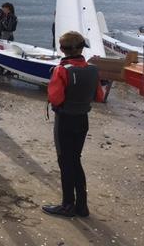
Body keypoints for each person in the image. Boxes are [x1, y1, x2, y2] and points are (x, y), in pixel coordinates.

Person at [42, 31, 105, 218]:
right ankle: (82, 206)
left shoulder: (62, 70)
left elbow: (55, 98)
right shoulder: (93, 70)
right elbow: (99, 96)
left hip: (65, 121)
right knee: (75, 160)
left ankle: (68, 205)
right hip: (82, 121)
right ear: (81, 47)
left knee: (65, 162)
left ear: (62, 49)